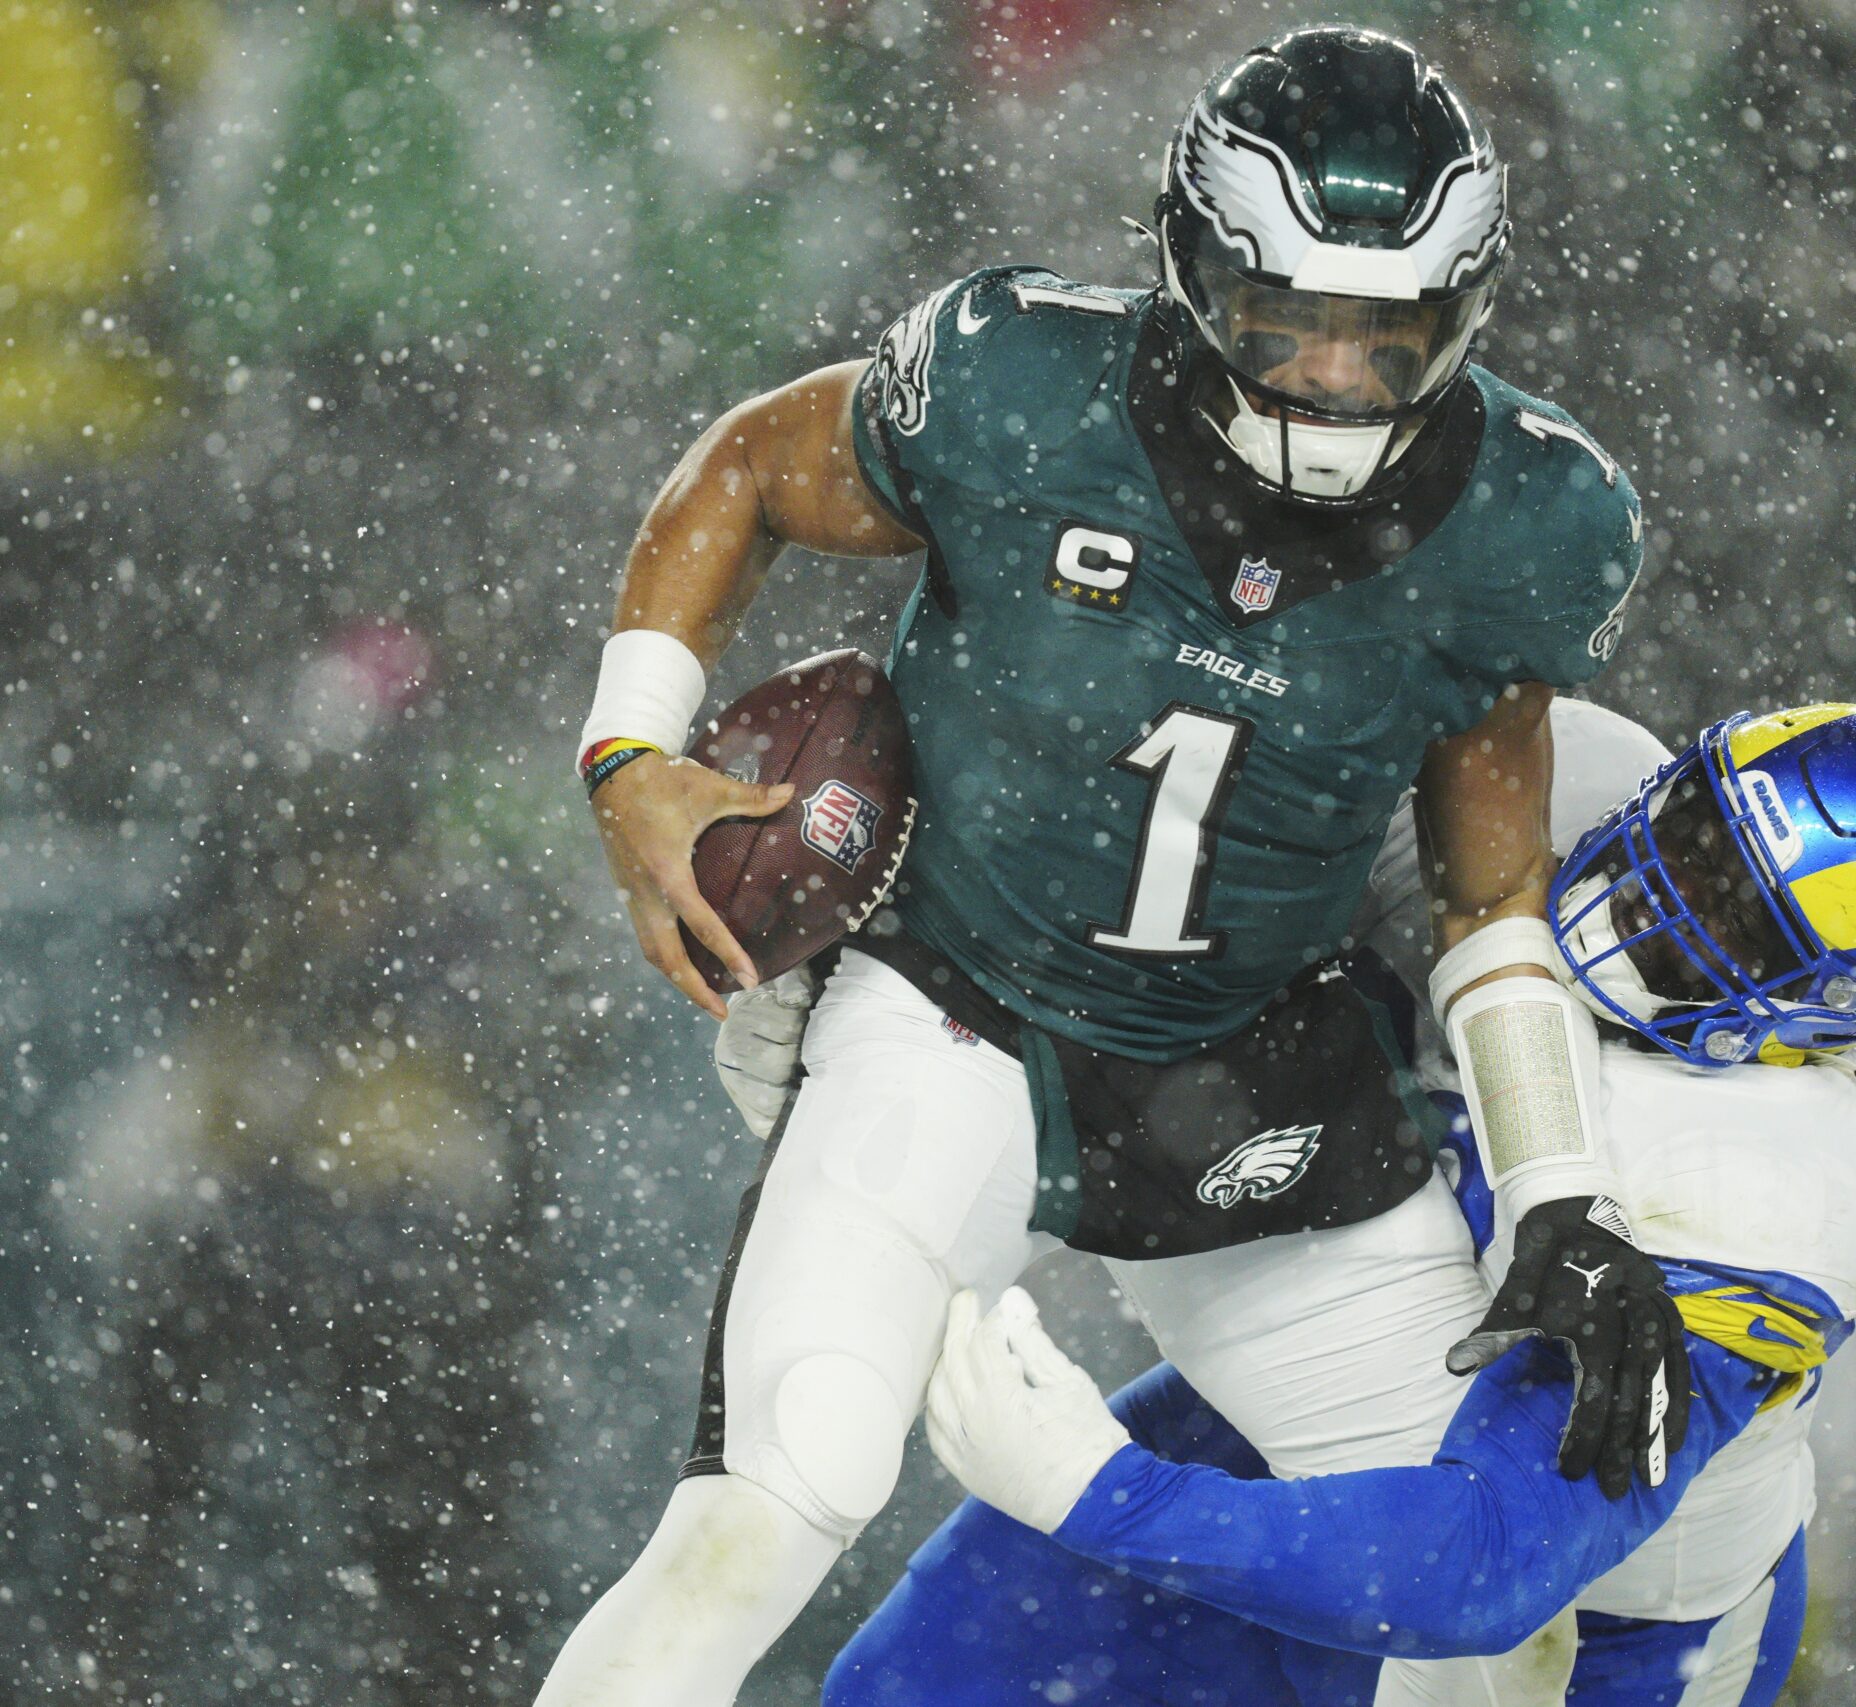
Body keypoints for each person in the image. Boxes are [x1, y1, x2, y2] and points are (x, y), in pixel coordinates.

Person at [539, 29, 1675, 1707]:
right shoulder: (1018, 383)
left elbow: (1485, 890)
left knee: (1490, 1615)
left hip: (1260, 1060)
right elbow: (750, 467)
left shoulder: (1529, 517)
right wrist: (633, 751)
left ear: (1466, 313)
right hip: (954, 1015)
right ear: (1196, 270)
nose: (1335, 377)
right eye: (1289, 316)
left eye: (1388, 332)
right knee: (766, 1506)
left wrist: (1565, 1193)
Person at [787, 701, 1856, 1707]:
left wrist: (1099, 1493)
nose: (1658, 891)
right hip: (1354, 1369)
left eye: (1735, 918)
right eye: (1694, 828)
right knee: (911, 1690)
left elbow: (1482, 1565)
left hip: (1591, 1621)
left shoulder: (1765, 1202)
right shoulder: (1571, 773)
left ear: (1818, 1015)